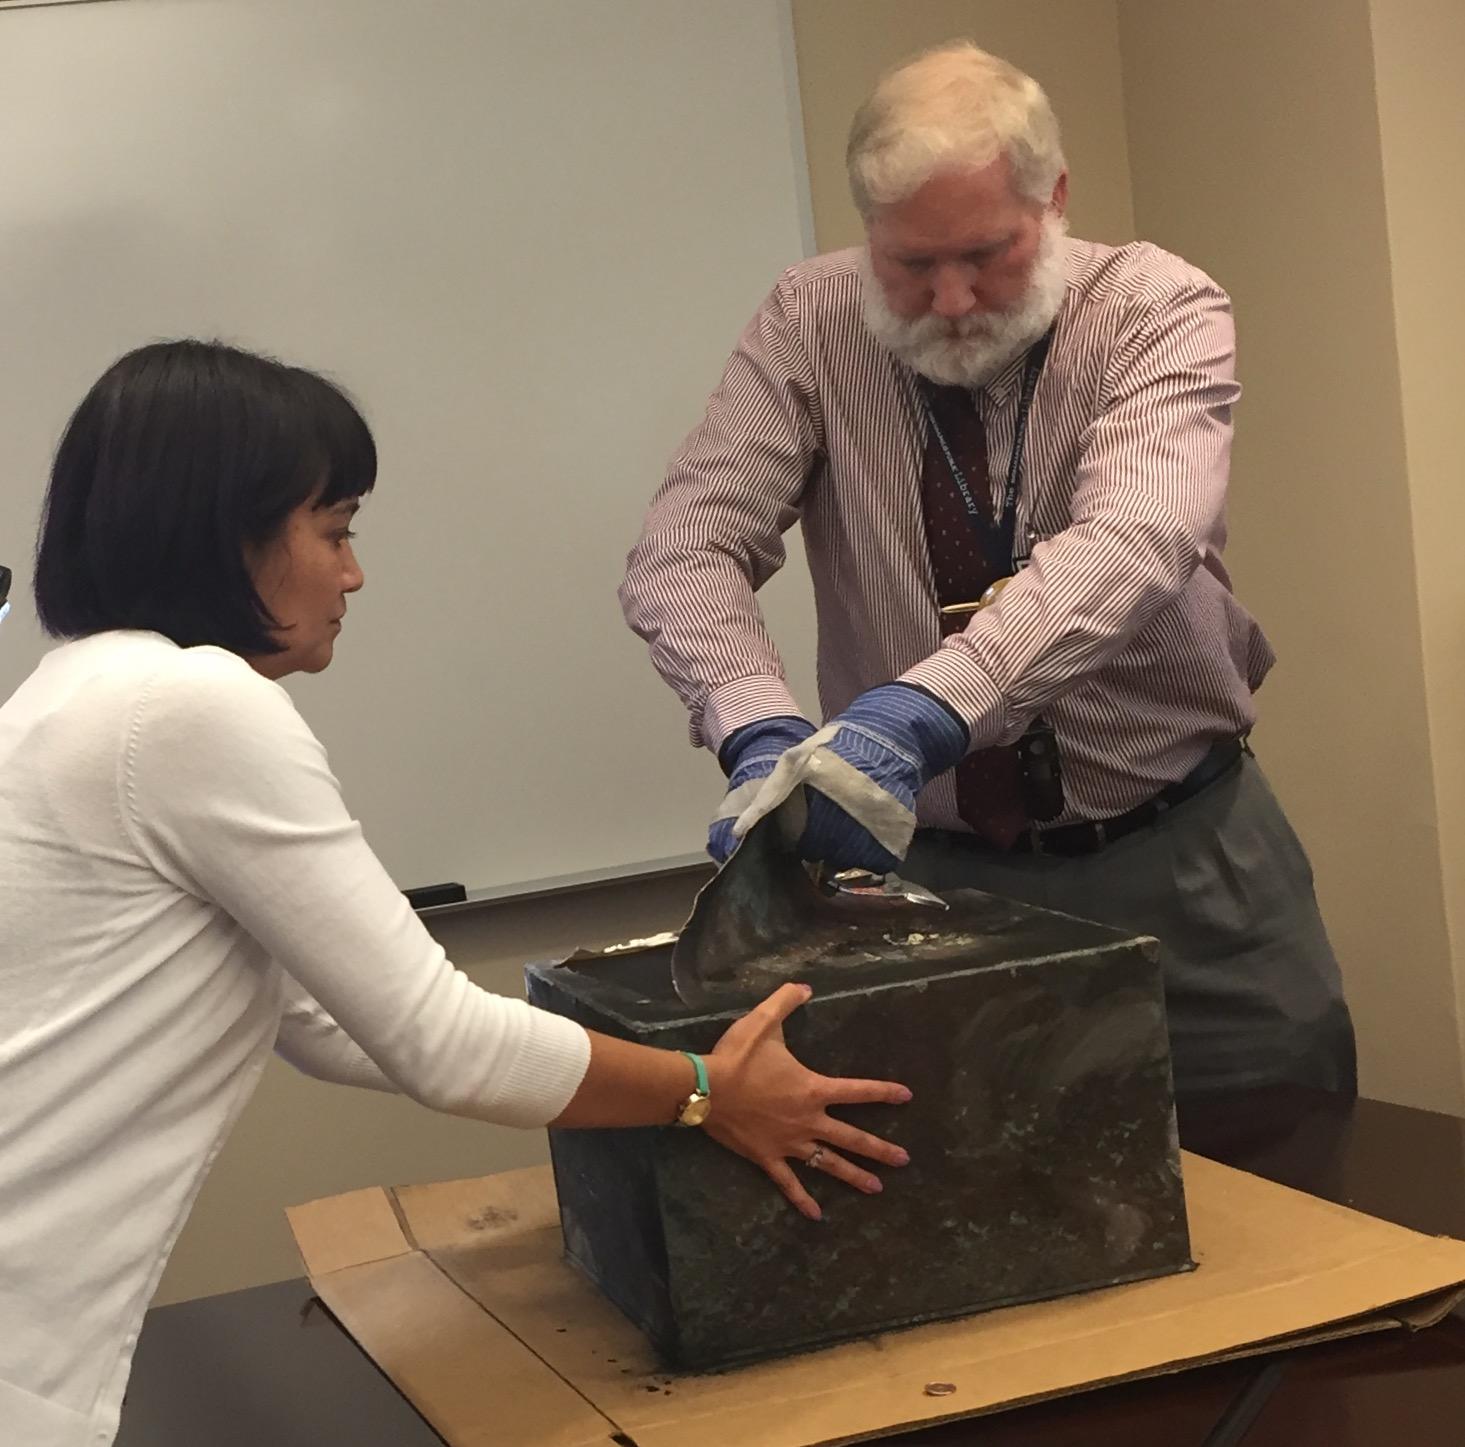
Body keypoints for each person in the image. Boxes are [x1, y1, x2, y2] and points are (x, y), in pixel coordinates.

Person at [0, 341, 911, 1447]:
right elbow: (438, 1039)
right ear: (222, 535)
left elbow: (331, 1022)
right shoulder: (188, 707)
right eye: (333, 531)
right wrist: (705, 1088)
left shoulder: (74, 700)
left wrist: (676, 1066)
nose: (353, 574)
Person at [620, 41, 1355, 1100]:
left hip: (1180, 857)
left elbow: (1136, 537)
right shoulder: (808, 321)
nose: (952, 300)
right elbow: (684, 547)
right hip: (934, 876)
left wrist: (921, 714)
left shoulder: (1155, 307)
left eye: (986, 254)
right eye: (909, 264)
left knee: (1282, 1160)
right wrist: (753, 724)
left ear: (1051, 199)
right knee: (969, 1191)